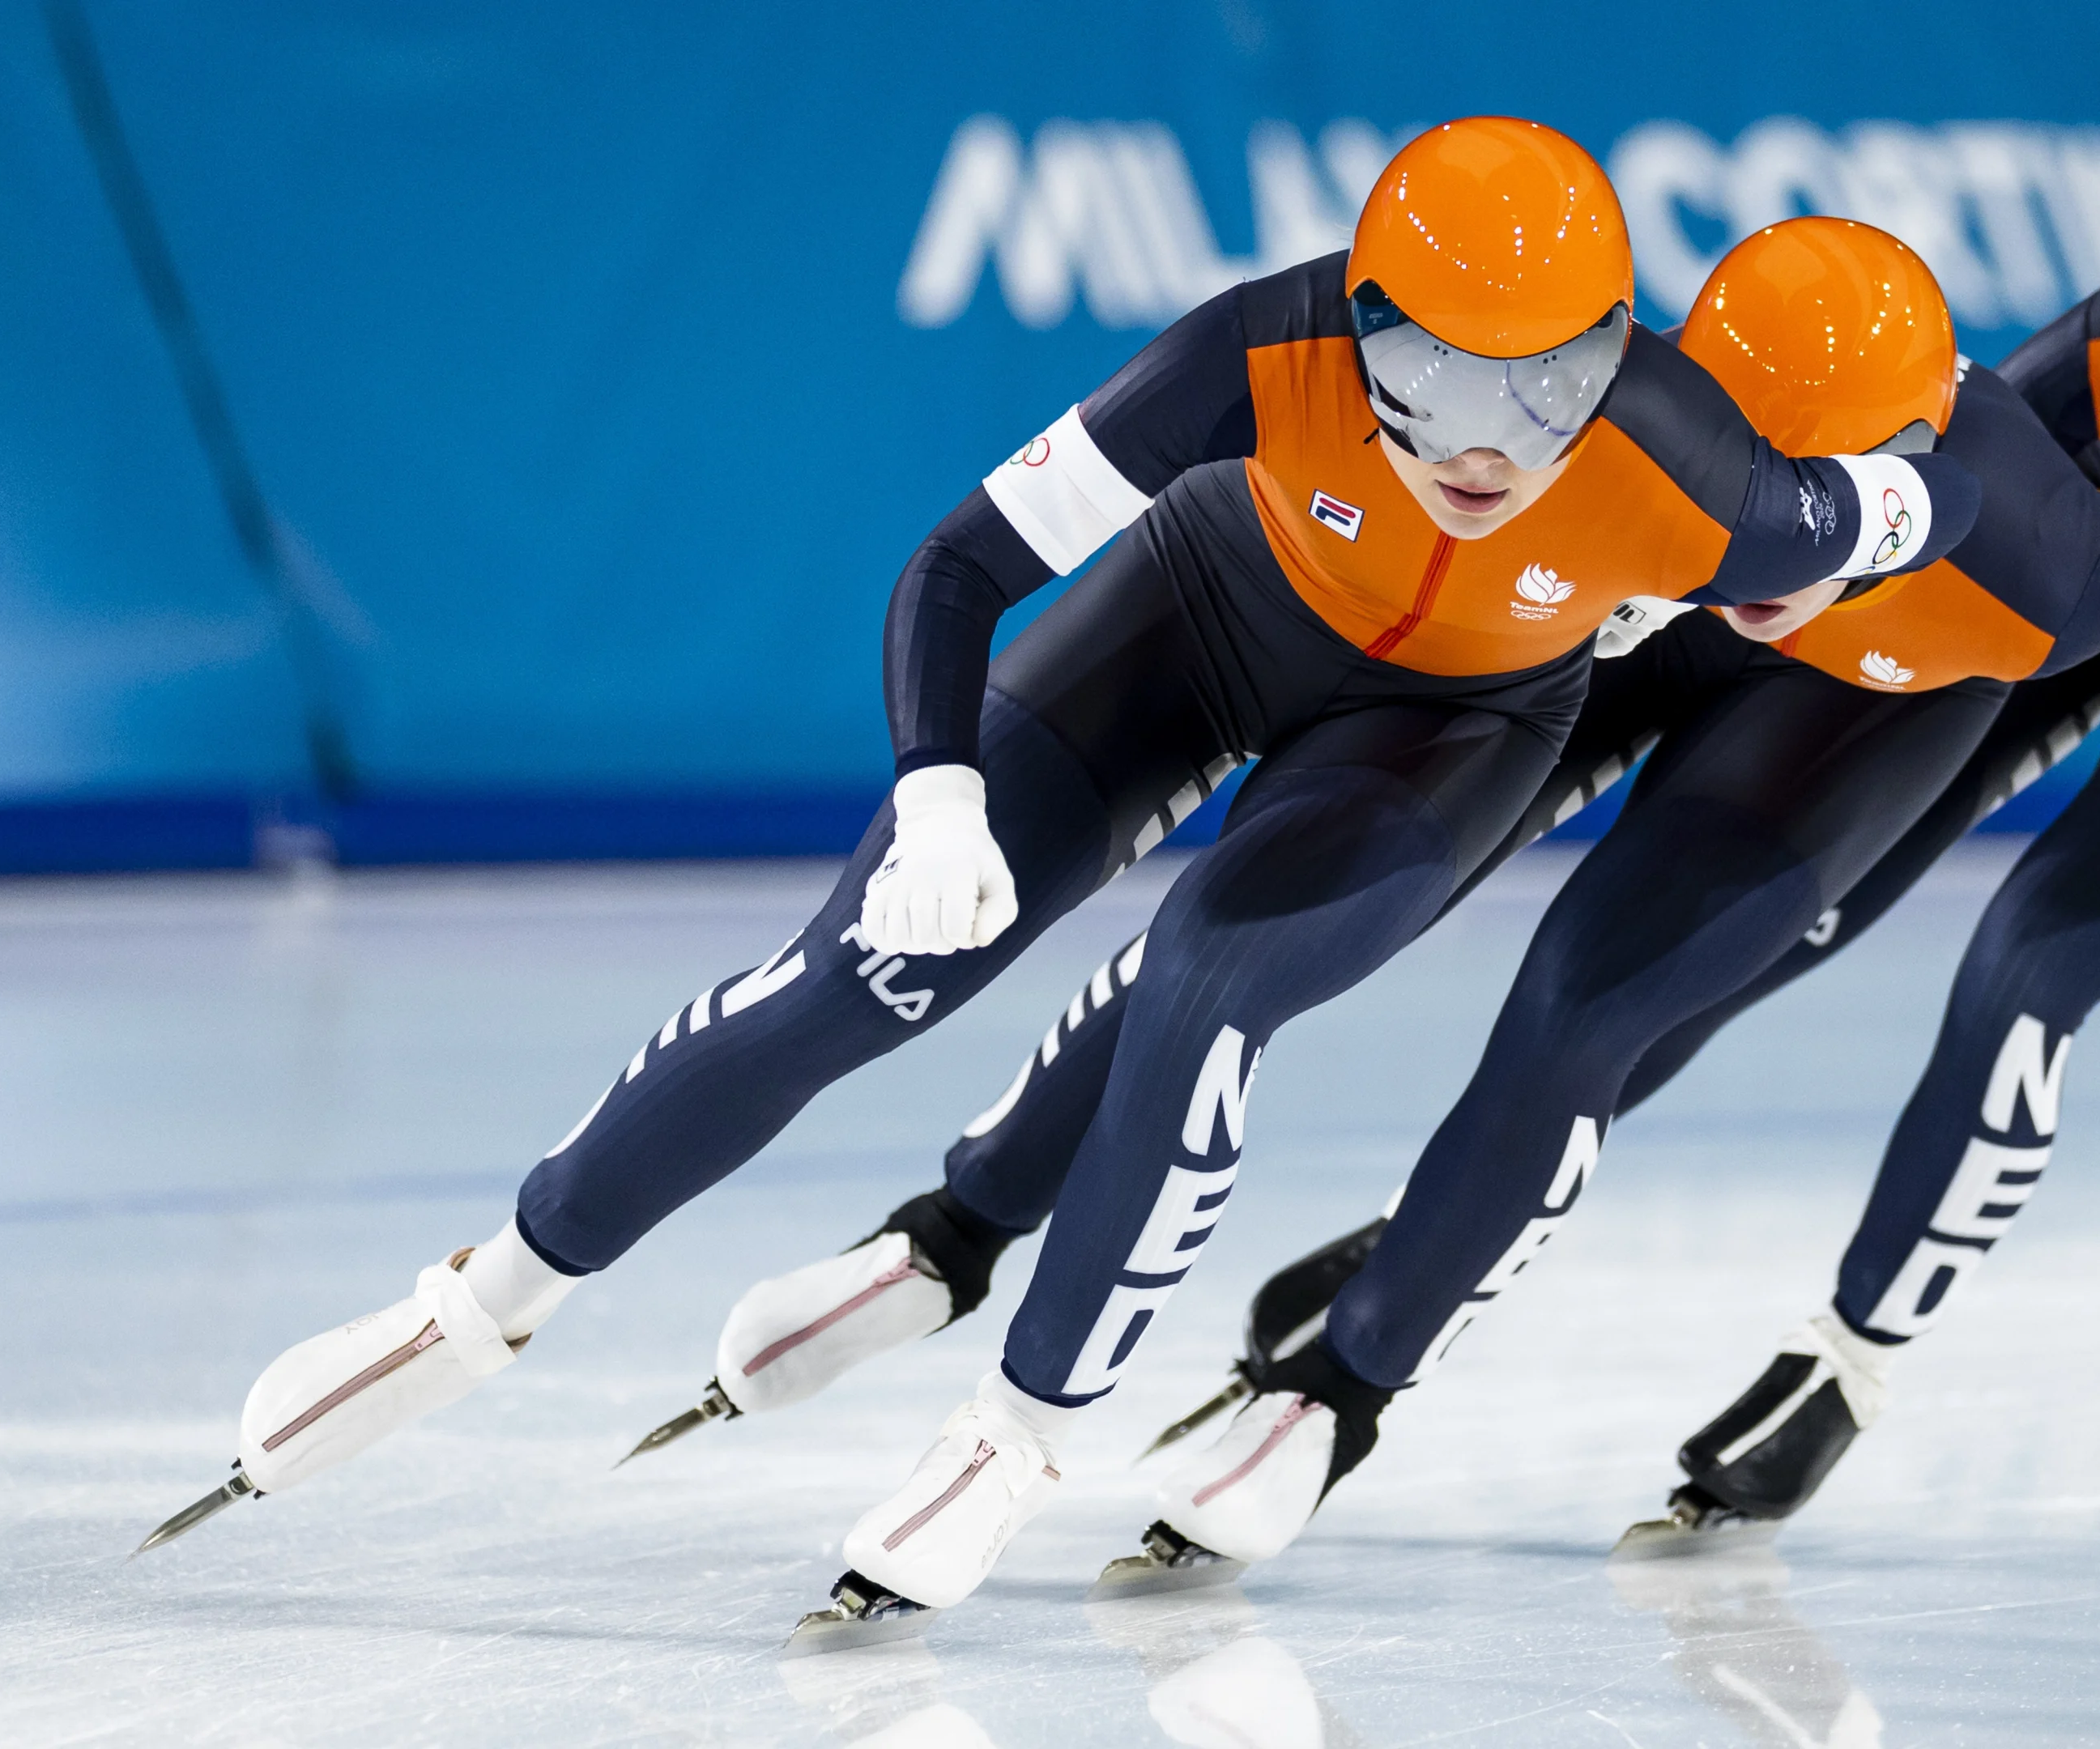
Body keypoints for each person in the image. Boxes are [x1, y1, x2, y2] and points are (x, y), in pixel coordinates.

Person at [138, 120, 1990, 1620]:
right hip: (1196, 619)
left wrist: (1936, 514)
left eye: (1561, 375)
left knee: (1205, 992)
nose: (1499, 438)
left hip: (1444, 739)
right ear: (1359, 327)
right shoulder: (1250, 353)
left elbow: (1914, 499)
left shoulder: (1695, 462)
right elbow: (957, 567)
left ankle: (1014, 1435)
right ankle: (484, 1296)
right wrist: (939, 789)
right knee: (868, 965)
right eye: (1440, 371)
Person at [894, 127, 2100, 1564]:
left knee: (2018, 961)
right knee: (1483, 888)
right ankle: (1074, 1210)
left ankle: (1820, 1359)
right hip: (1984, 602)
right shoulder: (2029, 421)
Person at [640, 217, 2100, 1598]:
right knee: (1238, 932)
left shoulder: (2049, 567)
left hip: (1860, 716)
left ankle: (1349, 1389)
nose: (1766, 520)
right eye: (1743, 455)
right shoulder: (1653, 451)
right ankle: (965, 1225)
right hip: (1626, 636)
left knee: (1588, 1014)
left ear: (1909, 464)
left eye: (1817, 490)